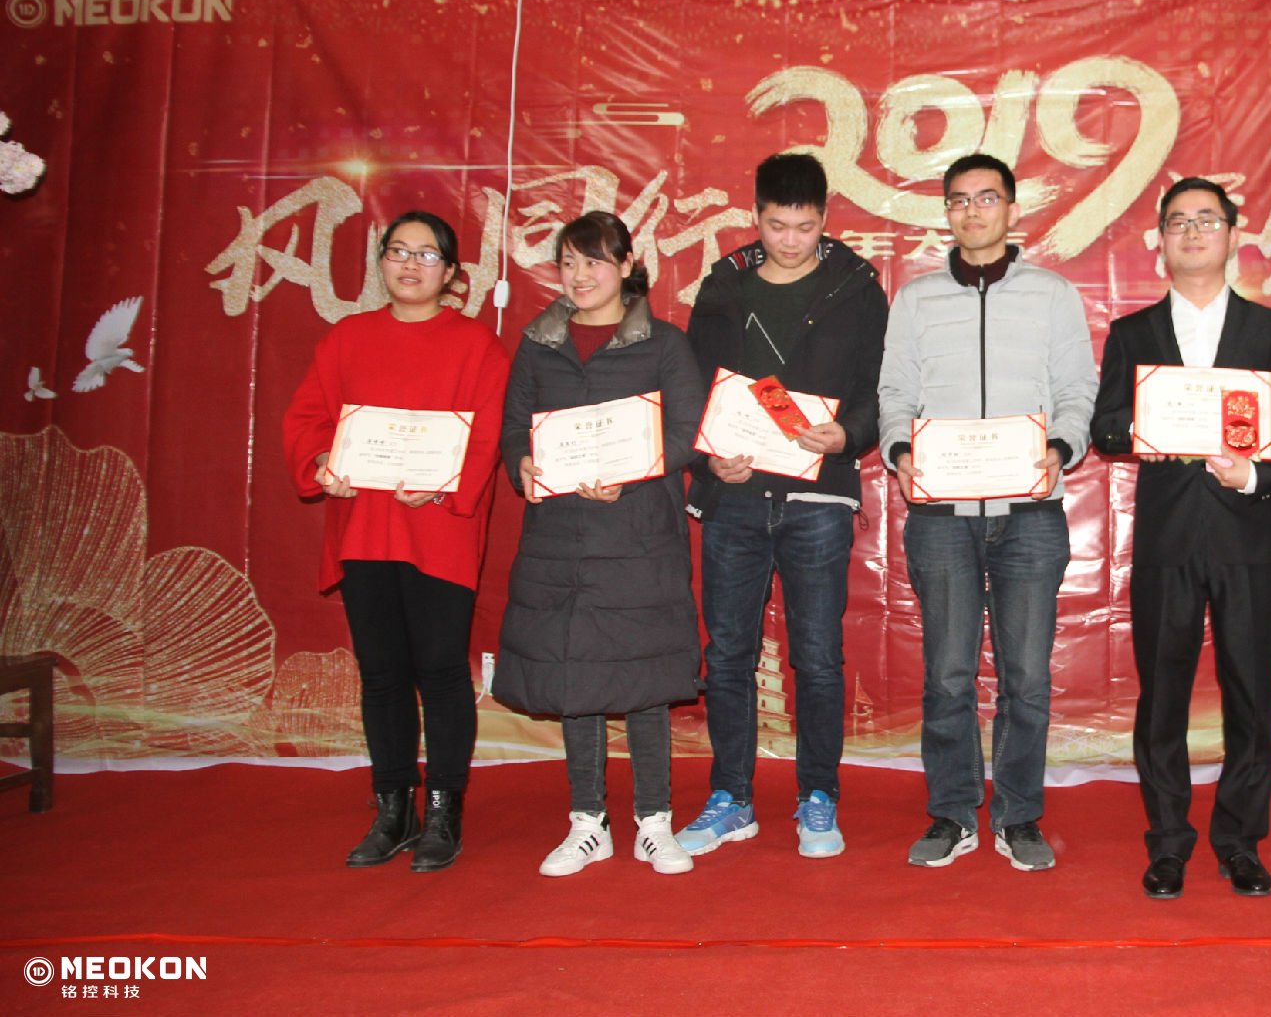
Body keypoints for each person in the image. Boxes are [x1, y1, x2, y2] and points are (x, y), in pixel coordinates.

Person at [878, 153, 1097, 871]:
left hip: (1030, 511)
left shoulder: (1052, 295)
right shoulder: (915, 299)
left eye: (987, 198)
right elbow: (894, 393)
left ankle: (1019, 816)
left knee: (1026, 675)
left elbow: (1078, 390)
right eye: (960, 200)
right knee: (947, 673)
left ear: (1012, 209)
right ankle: (951, 813)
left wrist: (1060, 446)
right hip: (940, 512)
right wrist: (900, 450)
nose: (972, 211)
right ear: (946, 211)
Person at [282, 210, 511, 873]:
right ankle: (393, 807)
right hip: (364, 528)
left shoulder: (477, 346)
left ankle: (443, 808)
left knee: (440, 669)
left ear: (452, 272)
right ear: (380, 261)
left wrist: (442, 487)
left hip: (438, 529)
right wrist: (322, 461)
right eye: (398, 251)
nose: (410, 265)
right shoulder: (347, 339)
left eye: (427, 254)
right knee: (381, 674)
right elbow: (306, 418)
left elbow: (488, 435)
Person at [1091, 178, 1271, 900]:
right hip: (1167, 541)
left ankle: (1240, 841)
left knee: (1251, 698)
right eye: (1178, 221)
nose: (1192, 231)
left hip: (1248, 537)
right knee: (1163, 696)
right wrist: (1150, 422)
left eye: (1207, 219)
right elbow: (1104, 427)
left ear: (1233, 234)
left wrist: (1253, 474)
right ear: (1161, 241)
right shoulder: (1133, 332)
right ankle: (1169, 842)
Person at [679, 153, 888, 860]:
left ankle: (818, 795)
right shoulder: (722, 287)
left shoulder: (856, 287)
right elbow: (692, 389)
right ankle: (730, 796)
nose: (791, 240)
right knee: (728, 653)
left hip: (817, 496)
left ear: (824, 218)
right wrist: (708, 458)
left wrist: (849, 433)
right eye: (777, 226)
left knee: (818, 656)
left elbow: (880, 386)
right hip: (735, 495)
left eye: (804, 227)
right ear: (756, 216)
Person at [492, 212, 706, 877]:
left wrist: (630, 471)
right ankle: (588, 822)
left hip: (638, 534)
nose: (579, 276)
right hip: (559, 537)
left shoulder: (663, 345)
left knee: (643, 675)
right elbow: (513, 428)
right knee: (572, 673)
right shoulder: (539, 343)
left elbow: (687, 432)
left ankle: (654, 821)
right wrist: (522, 463)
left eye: (593, 262)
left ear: (626, 265)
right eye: (567, 263)